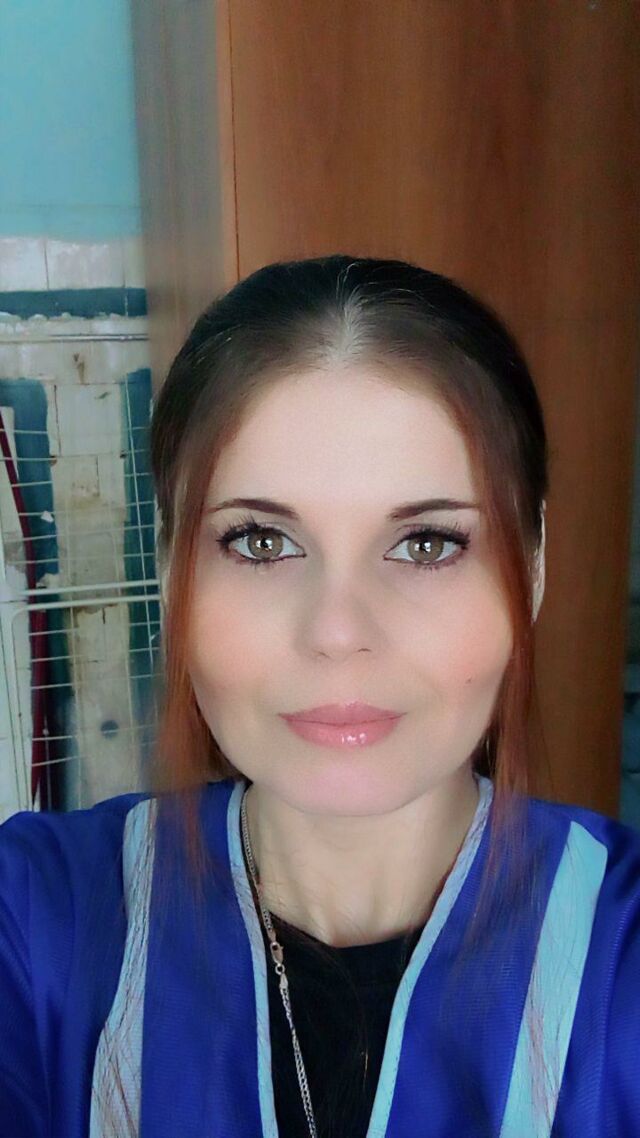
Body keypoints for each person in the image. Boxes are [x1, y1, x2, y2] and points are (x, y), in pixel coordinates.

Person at [0, 255, 638, 1138]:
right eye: (261, 542)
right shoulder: (35, 919)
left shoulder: (619, 950)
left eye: (426, 544)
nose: (338, 631)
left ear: (531, 569)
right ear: (171, 567)